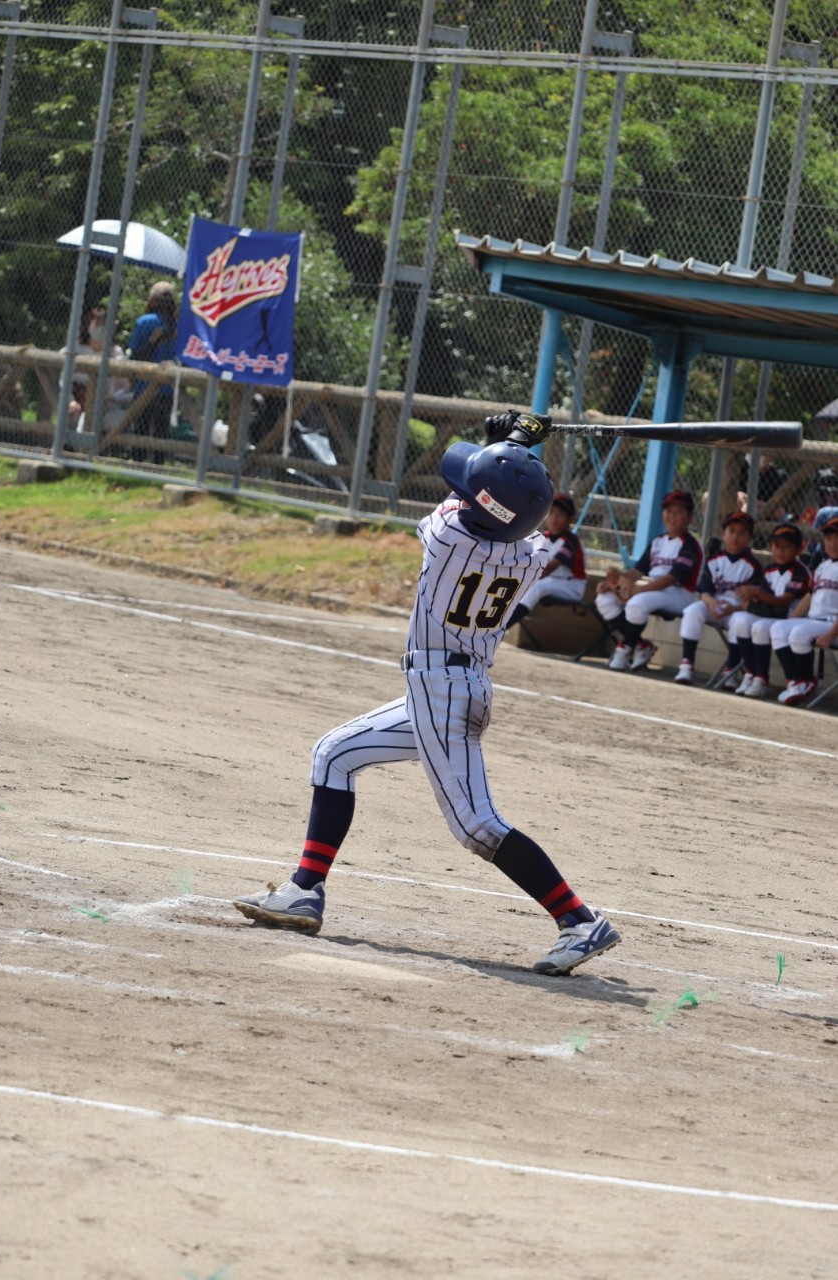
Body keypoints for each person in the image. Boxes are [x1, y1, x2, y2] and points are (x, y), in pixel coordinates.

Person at [232, 411, 621, 977]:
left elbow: (474, 499)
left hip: (442, 692)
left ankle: (579, 921)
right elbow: (517, 514)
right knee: (334, 754)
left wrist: (512, 436)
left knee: (476, 826)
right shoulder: (531, 555)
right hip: (452, 688)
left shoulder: (446, 535)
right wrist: (521, 448)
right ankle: (304, 891)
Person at [595, 489, 703, 673]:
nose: (671, 516)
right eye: (668, 511)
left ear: (689, 518)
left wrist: (639, 591)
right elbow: (637, 571)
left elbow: (672, 579)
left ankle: (625, 648)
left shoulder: (690, 545)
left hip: (679, 594)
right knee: (604, 599)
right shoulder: (658, 541)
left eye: (678, 512)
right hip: (653, 591)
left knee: (637, 603)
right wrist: (618, 582)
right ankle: (641, 645)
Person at [674, 510, 764, 687]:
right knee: (693, 611)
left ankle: (730, 670)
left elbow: (751, 602)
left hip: (737, 611)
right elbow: (704, 590)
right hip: (714, 606)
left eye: (742, 533)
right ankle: (687, 663)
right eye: (731, 531)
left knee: (740, 622)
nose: (735, 537)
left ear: (750, 538)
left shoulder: (754, 566)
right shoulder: (714, 560)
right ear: (723, 534)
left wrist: (734, 608)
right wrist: (711, 602)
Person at [731, 521, 811, 699]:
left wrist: (757, 592)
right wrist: (750, 599)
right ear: (770, 546)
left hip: (791, 618)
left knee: (760, 627)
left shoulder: (800, 572)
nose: (781, 551)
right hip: (773, 616)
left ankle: (762, 678)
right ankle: (751, 674)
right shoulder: (769, 569)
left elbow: (782, 603)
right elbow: (765, 601)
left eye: (787, 546)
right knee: (740, 620)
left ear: (799, 549)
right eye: (776, 545)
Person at [769, 515, 838, 706]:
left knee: (798, 634)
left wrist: (832, 635)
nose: (832, 543)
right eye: (829, 538)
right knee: (778, 629)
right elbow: (809, 597)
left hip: (833, 625)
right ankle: (795, 682)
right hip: (816, 622)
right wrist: (790, 621)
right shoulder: (823, 566)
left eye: (837, 539)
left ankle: (807, 681)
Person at [504, 490, 586, 630]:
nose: (554, 518)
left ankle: (503, 627)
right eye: (551, 512)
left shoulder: (571, 541)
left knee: (536, 586)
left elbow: (547, 569)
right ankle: (497, 624)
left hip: (571, 586)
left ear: (570, 519)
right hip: (548, 581)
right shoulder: (542, 537)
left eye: (560, 514)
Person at [127, 281, 179, 460]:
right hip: (167, 388)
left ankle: (137, 462)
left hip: (143, 386)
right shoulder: (179, 327)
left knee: (140, 428)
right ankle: (157, 464)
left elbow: (135, 354)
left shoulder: (144, 322)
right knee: (161, 431)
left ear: (153, 300)